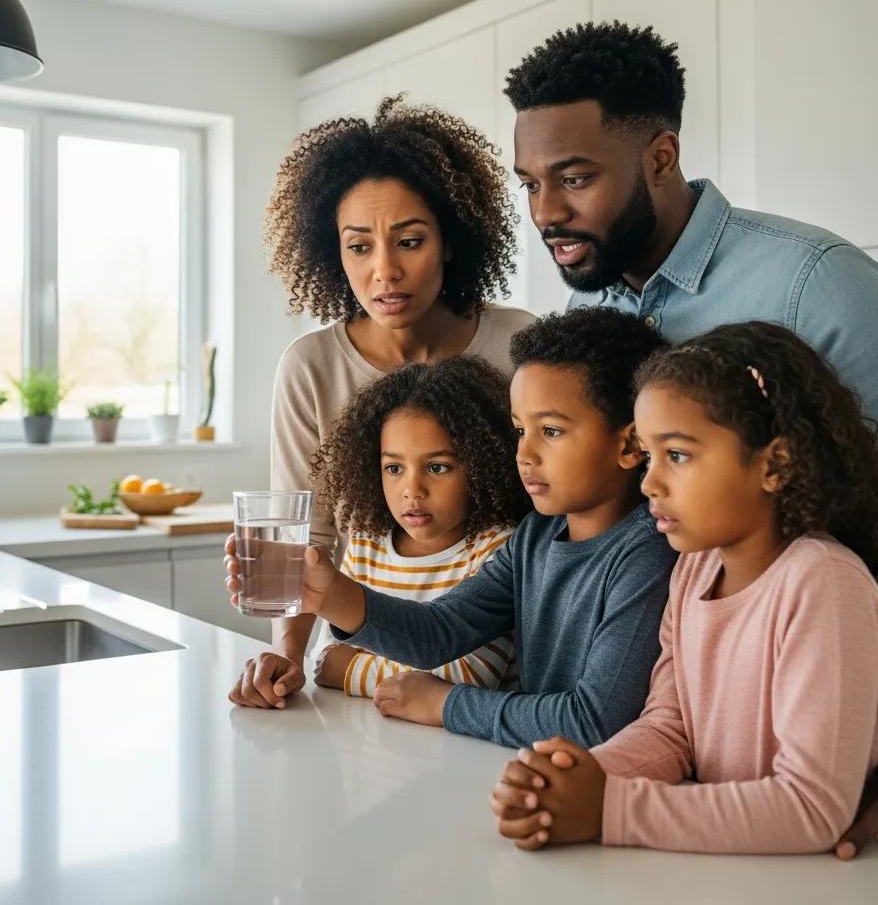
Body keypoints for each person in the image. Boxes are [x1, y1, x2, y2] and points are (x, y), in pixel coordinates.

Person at [504, 20, 878, 863]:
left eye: (574, 178)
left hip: (816, 744)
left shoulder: (817, 283)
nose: (546, 213)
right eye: (528, 183)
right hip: (673, 754)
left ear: (661, 155)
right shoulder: (585, 317)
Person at [490, 322, 878, 854]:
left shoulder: (824, 585)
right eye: (648, 454)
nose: (648, 482)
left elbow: (812, 807)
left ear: (775, 464)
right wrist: (575, 778)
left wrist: (609, 809)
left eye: (677, 455)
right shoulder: (694, 571)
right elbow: (671, 728)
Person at [230, 308, 676, 747]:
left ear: (630, 444)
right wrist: (327, 594)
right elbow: (441, 630)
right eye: (521, 430)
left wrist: (446, 705)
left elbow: (594, 721)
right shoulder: (536, 537)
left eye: (552, 431)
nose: (525, 454)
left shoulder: (647, 554)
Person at [245, 95, 534, 698]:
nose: (385, 272)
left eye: (409, 241)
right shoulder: (311, 368)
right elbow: (304, 539)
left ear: (450, 241)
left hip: (499, 663)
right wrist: (287, 658)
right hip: (362, 649)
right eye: (359, 246)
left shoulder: (518, 346)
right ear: (334, 253)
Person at [227, 356, 528, 709]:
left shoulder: (499, 549)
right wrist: (404, 678)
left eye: (437, 467)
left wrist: (351, 668)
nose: (411, 489)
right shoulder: (367, 542)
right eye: (394, 467)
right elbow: (324, 660)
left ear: (482, 466)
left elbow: (462, 681)